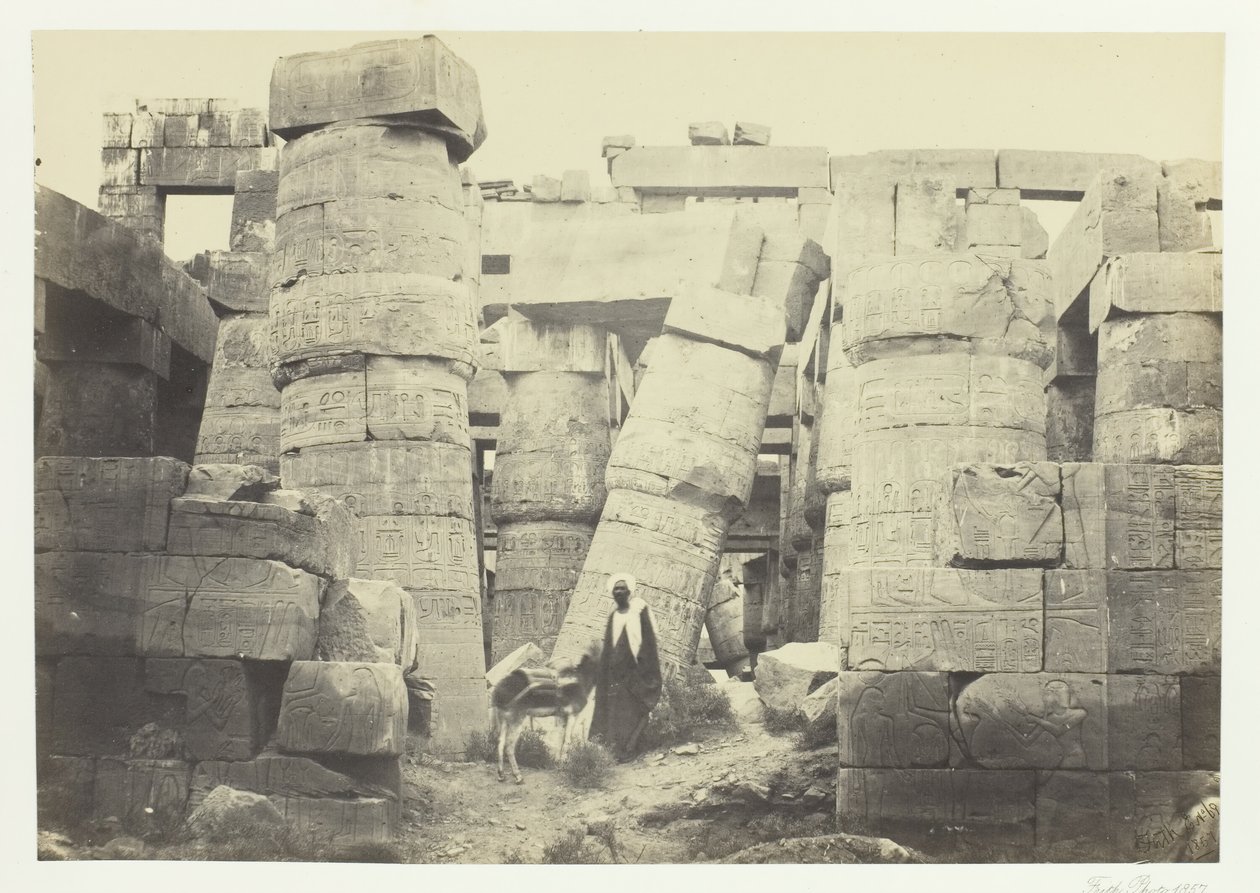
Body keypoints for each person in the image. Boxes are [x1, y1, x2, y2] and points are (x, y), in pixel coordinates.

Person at [590, 573, 662, 762]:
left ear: (629, 591)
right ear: (612, 593)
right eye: (616, 589)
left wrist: (643, 669)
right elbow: (609, 647)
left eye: (623, 588)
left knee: (632, 710)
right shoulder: (613, 616)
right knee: (614, 712)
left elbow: (648, 643)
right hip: (614, 674)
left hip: (634, 672)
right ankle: (616, 751)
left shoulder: (638, 613)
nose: (619, 592)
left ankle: (632, 749)